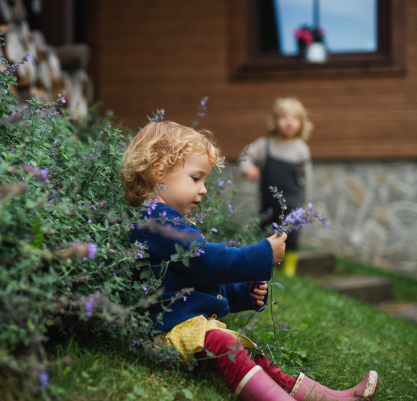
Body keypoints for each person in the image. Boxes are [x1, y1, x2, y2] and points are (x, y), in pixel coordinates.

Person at [121, 121, 378, 401]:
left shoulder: (166, 221)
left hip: (186, 327)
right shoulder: (155, 224)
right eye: (196, 178)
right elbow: (208, 262)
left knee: (251, 355)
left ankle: (327, 397)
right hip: (165, 333)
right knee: (226, 344)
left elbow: (196, 280)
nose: (204, 189)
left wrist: (244, 293)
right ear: (159, 172)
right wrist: (263, 254)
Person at [240, 97, 313, 277]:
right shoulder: (265, 145)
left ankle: (289, 269)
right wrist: (248, 167)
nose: (289, 122)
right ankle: (266, 263)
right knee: (266, 230)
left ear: (301, 123)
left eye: (295, 118)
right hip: (269, 199)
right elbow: (246, 155)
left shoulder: (301, 149)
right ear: (274, 121)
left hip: (294, 198)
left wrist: (308, 200)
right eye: (283, 117)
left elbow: (307, 177)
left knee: (292, 233)